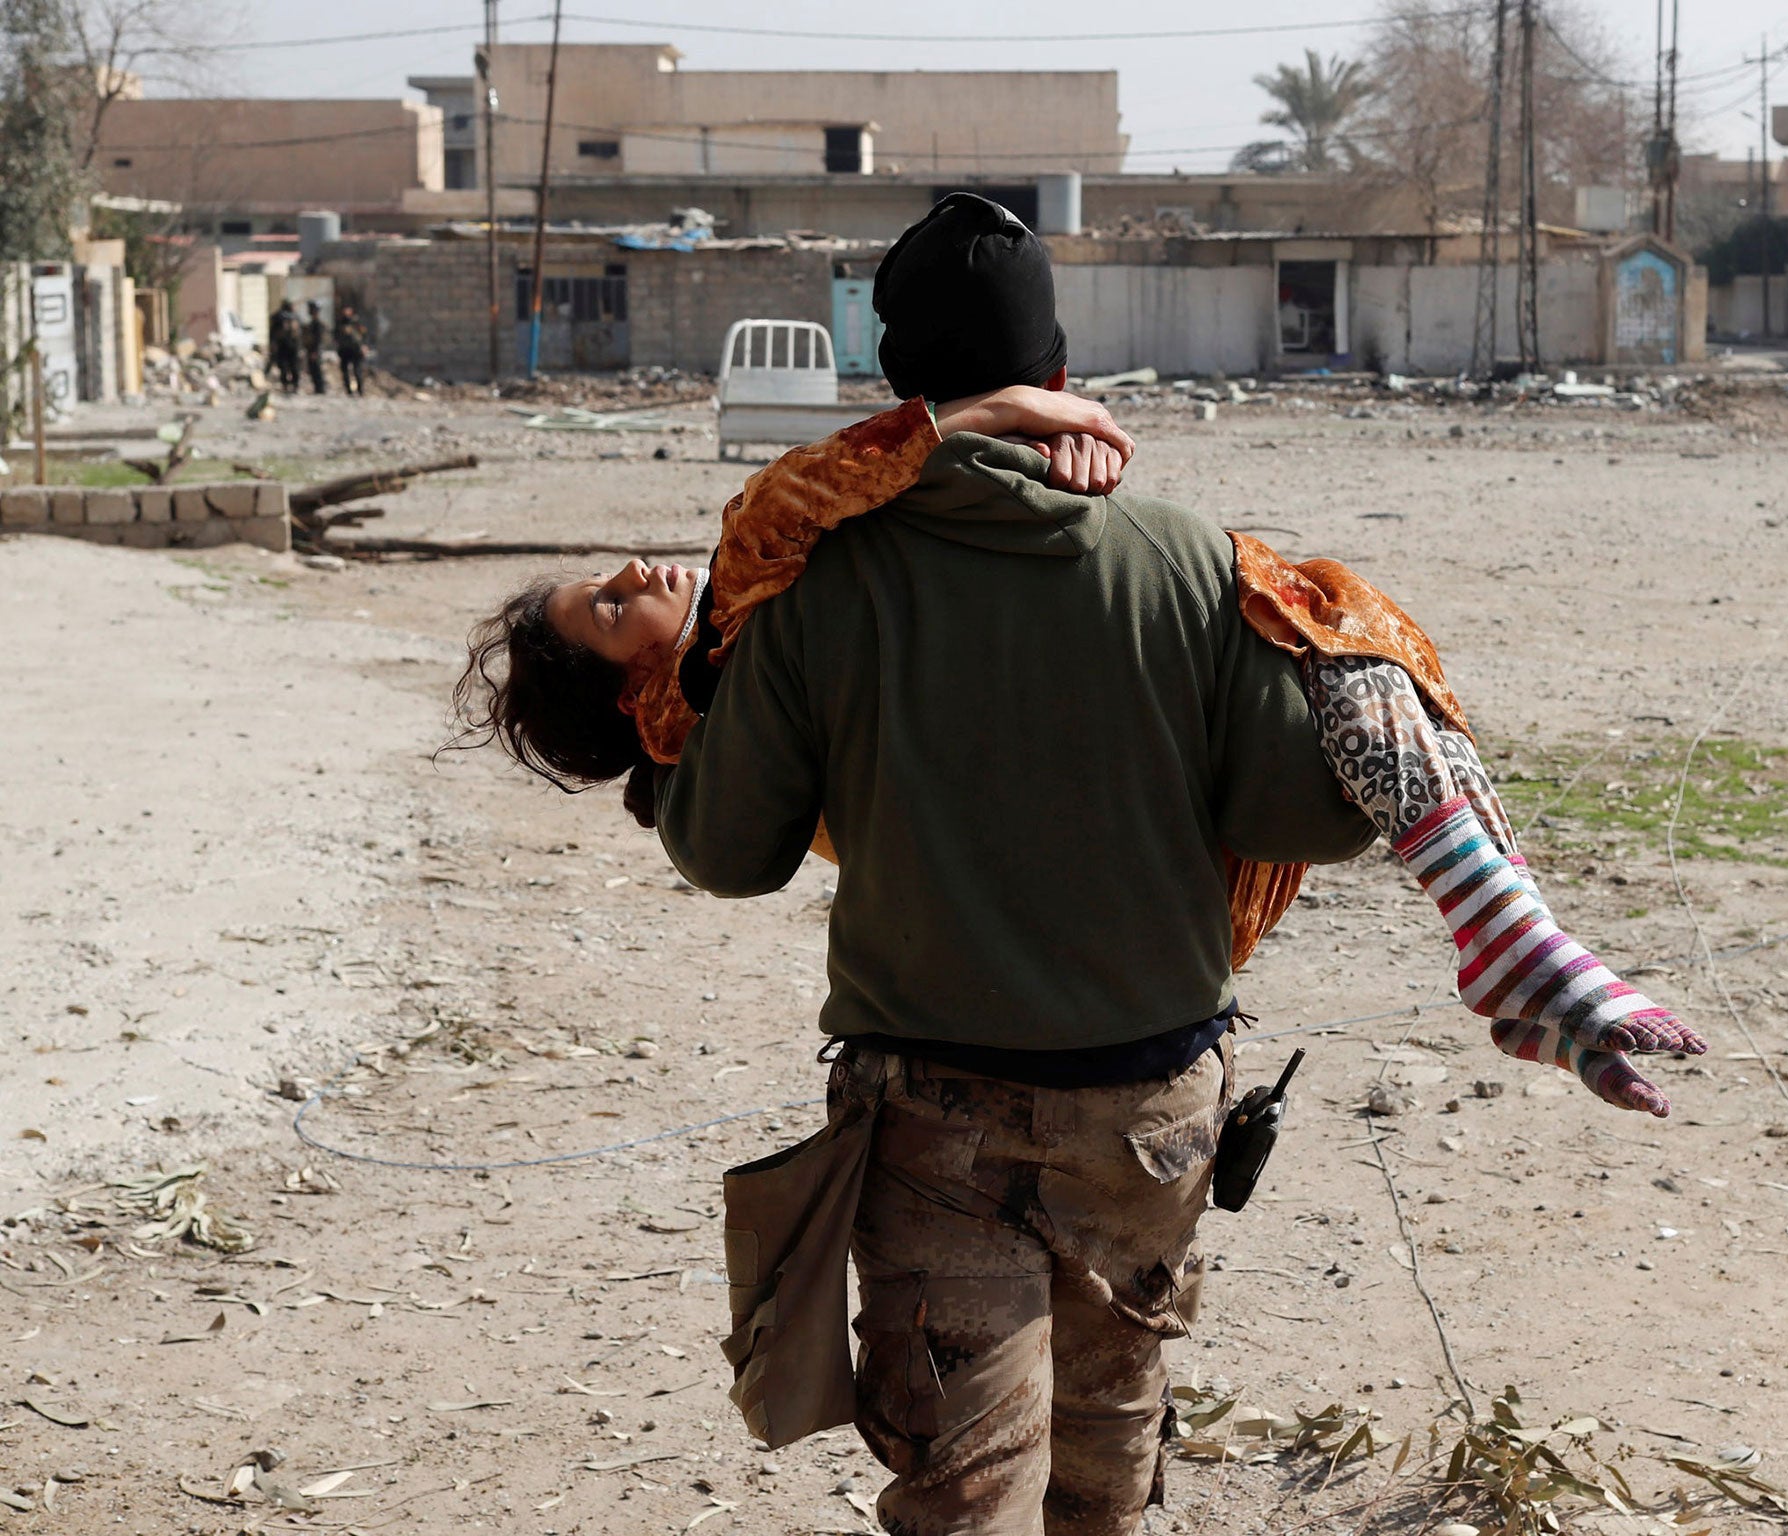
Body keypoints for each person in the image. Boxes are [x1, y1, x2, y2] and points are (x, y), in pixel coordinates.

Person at [458, 195, 1698, 1535]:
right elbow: (1309, 814)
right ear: (1055, 377)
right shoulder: (1188, 558)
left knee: (963, 1490)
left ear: (896, 392)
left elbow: (736, 852)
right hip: (1148, 1110)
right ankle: (1499, 916)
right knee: (1108, 1476)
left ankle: (1509, 930)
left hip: (933, 1121)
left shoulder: (812, 585)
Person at [267, 301, 301, 393]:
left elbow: (299, 333)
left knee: (292, 367)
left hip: (290, 346)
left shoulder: (294, 317)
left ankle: (293, 385)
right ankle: (288, 385)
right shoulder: (279, 317)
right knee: (285, 367)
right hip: (283, 345)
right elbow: (273, 332)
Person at [334, 305, 369, 397]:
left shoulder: (357, 322)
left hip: (356, 351)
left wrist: (364, 346)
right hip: (344, 351)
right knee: (345, 372)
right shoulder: (340, 323)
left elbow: (365, 335)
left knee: (357, 371)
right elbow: (335, 336)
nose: (346, 312)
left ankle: (360, 391)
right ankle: (349, 391)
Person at [301, 300, 328, 395]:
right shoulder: (312, 323)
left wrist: (315, 352)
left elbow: (318, 340)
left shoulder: (317, 324)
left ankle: (321, 389)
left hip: (315, 350)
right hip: (311, 349)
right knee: (313, 369)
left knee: (317, 369)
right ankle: (318, 389)